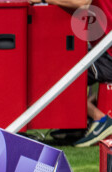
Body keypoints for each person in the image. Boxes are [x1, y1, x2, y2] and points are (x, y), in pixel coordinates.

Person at [29, 0, 112, 146]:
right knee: (60, 60)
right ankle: (77, 123)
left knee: (54, 72)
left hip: (108, 56)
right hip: (104, 51)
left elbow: (81, 2)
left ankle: (99, 119)